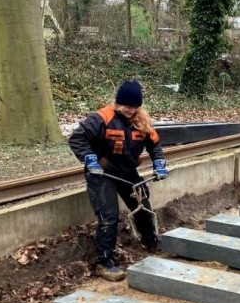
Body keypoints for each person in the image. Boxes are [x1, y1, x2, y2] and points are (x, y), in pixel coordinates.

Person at [69, 79, 169, 282]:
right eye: (127, 106)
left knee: (142, 206)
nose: (131, 110)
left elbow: (154, 145)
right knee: (109, 216)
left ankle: (151, 242)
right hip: (102, 173)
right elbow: (77, 138)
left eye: (134, 107)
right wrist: (90, 160)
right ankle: (103, 262)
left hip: (127, 171)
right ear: (118, 102)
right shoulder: (101, 118)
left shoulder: (142, 121)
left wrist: (159, 163)